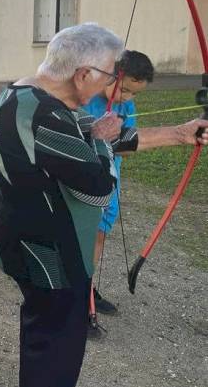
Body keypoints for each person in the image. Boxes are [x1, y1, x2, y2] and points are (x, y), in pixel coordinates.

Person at [0, 23, 208, 387]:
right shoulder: (47, 117)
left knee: (43, 336)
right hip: (50, 260)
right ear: (83, 73)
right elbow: (100, 188)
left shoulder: (24, 96)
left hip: (26, 244)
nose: (110, 88)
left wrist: (179, 134)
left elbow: (96, 136)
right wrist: (103, 141)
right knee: (56, 352)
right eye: (108, 77)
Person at [82, 50, 154, 318]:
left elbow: (128, 147)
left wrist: (118, 137)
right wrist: (100, 133)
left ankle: (87, 288)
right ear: (112, 75)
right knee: (79, 236)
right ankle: (76, 293)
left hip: (109, 180)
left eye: (135, 94)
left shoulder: (126, 106)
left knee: (99, 234)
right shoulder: (85, 97)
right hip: (82, 180)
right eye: (123, 89)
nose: (127, 98)